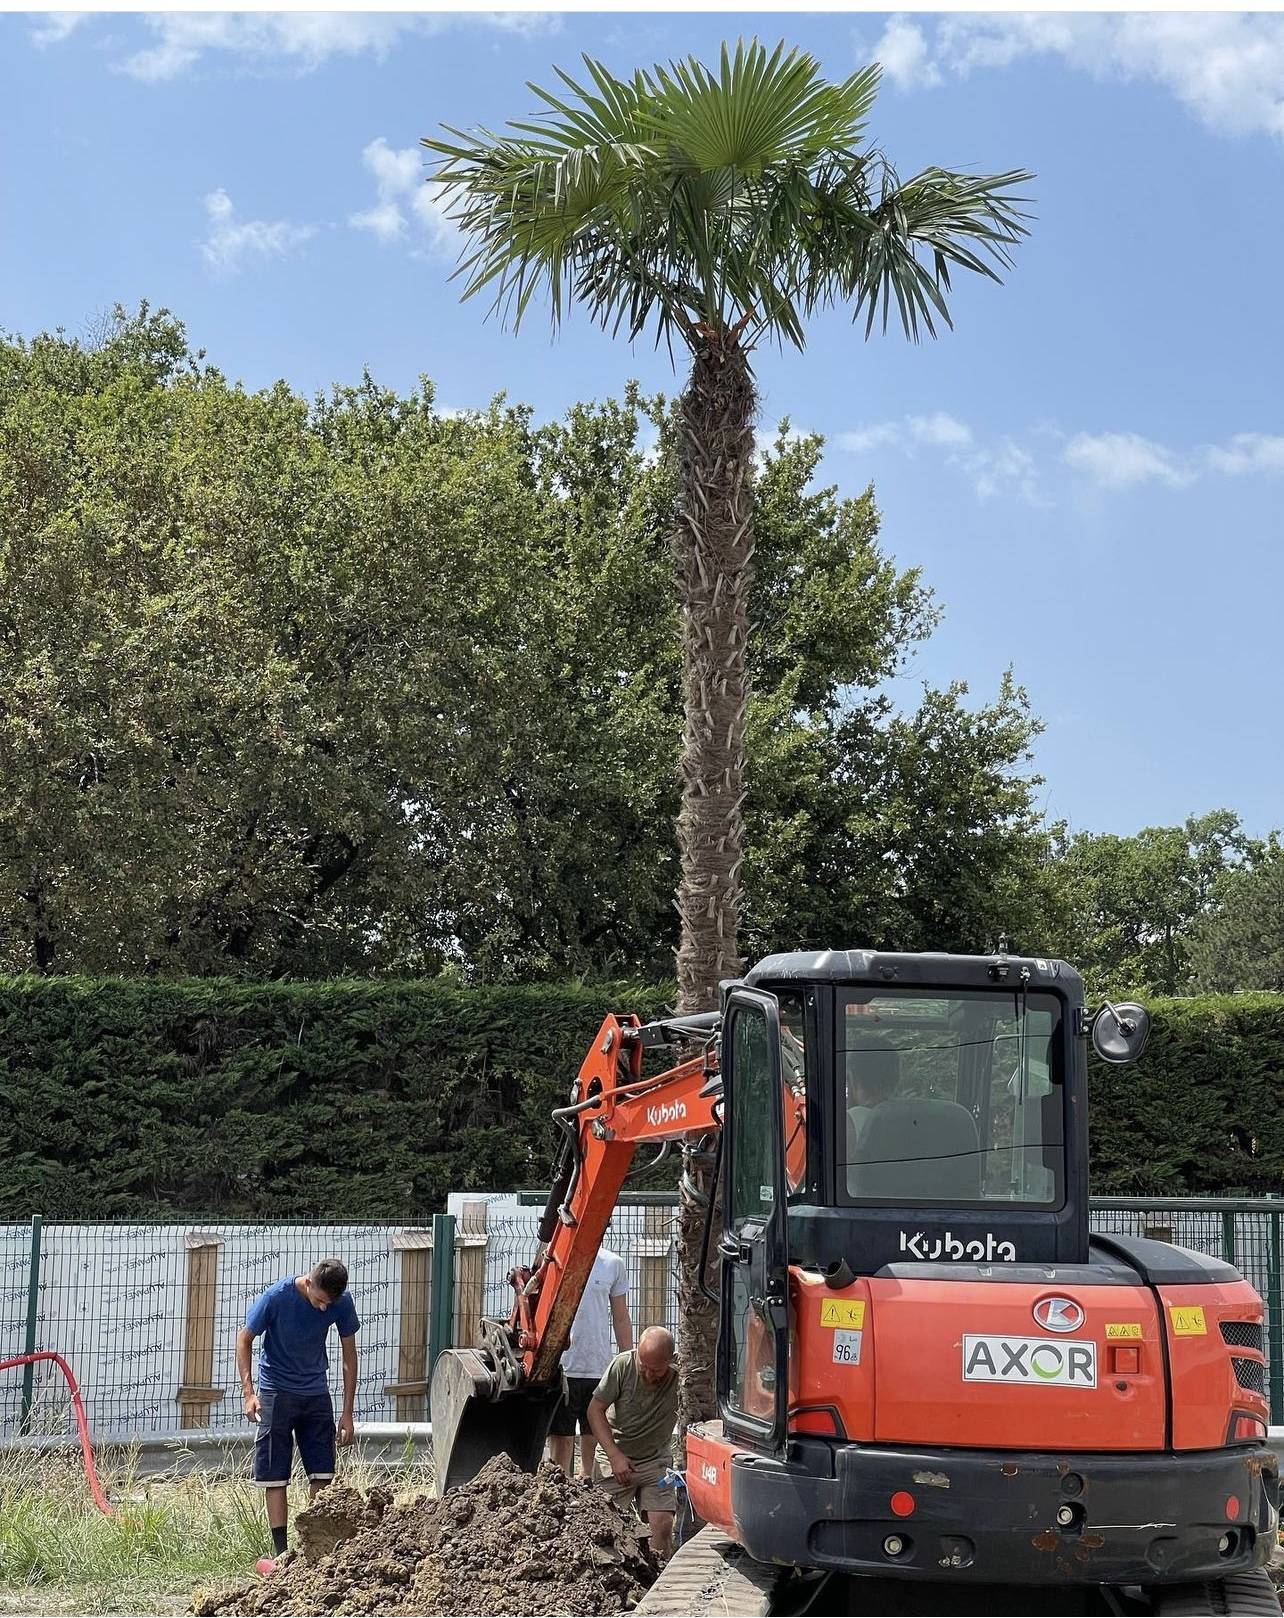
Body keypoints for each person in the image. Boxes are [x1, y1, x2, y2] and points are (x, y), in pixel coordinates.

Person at [236, 1258, 359, 1573]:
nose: (324, 1308)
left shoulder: (341, 1302)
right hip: (276, 1393)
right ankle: (281, 1554)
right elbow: (244, 1339)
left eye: (329, 1304)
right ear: (309, 1283)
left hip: (316, 1393)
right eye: (320, 1300)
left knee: (322, 1474)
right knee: (275, 1474)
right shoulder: (277, 1297)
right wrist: (250, 1393)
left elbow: (349, 1355)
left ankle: (314, 1550)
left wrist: (347, 1412)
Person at [587, 1326, 680, 1564]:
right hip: (615, 1460)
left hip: (655, 1461)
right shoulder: (622, 1366)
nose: (648, 1375)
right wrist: (614, 1455)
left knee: (662, 1525)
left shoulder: (682, 1375)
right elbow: (594, 1410)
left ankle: (657, 1574)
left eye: (656, 1370)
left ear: (670, 1360)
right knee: (604, 1527)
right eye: (643, 1366)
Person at [548, 1246, 632, 1477]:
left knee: (593, 1437)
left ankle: (588, 1488)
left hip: (598, 1367)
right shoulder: (554, 1258)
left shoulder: (613, 1263)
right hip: (562, 1367)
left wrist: (628, 1360)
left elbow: (621, 1316)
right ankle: (557, 1490)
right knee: (562, 1438)